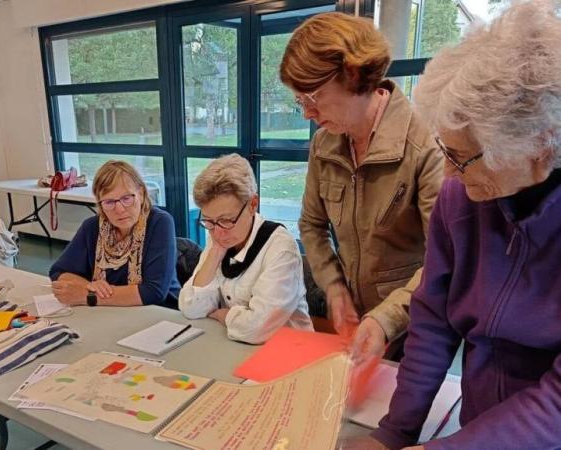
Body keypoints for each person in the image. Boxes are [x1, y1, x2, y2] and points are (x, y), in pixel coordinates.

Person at [364, 2, 561, 449]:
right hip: (476, 422)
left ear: (539, 145)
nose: (449, 176)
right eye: (445, 152)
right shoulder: (461, 197)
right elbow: (433, 321)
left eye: (463, 157)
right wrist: (394, 433)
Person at [279, 12, 443, 363]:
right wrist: (335, 286)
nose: (307, 113)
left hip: (417, 323)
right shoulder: (325, 144)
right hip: (356, 323)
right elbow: (311, 225)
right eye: (299, 101)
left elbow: (443, 261)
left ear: (353, 75)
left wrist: (386, 319)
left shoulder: (425, 146)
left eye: (313, 96)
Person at [179, 154, 313, 344]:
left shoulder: (280, 247)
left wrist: (225, 315)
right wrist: (215, 254)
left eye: (226, 220)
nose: (217, 232)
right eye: (208, 221)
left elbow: (256, 329)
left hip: (289, 352)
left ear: (252, 205)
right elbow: (191, 308)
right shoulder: (219, 238)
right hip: (234, 346)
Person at [49, 161, 180, 309]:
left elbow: (154, 292)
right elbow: (58, 272)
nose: (119, 209)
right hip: (111, 312)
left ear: (141, 194)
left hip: (161, 313)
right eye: (109, 202)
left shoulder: (160, 222)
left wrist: (89, 296)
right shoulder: (92, 227)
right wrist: (89, 287)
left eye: (126, 199)